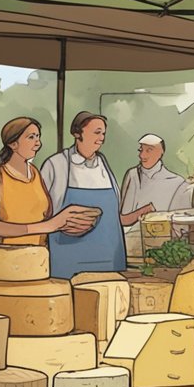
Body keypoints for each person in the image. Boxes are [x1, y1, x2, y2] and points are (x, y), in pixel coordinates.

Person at [40, 111, 145, 278]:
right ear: (77, 133)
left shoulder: (103, 163)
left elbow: (114, 213)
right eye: (97, 132)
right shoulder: (56, 164)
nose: (102, 137)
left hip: (108, 255)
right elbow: (42, 210)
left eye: (103, 133)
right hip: (69, 254)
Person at [0, 117, 93, 245]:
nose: (38, 143)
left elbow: (47, 217)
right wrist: (46, 226)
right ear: (13, 144)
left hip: (39, 254)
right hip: (8, 256)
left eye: (38, 137)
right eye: (31, 137)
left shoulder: (35, 173)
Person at [119, 133, 193, 217]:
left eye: (149, 150)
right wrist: (145, 210)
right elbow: (123, 218)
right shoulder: (133, 175)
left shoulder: (178, 183)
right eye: (141, 150)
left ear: (161, 152)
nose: (142, 155)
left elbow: (183, 220)